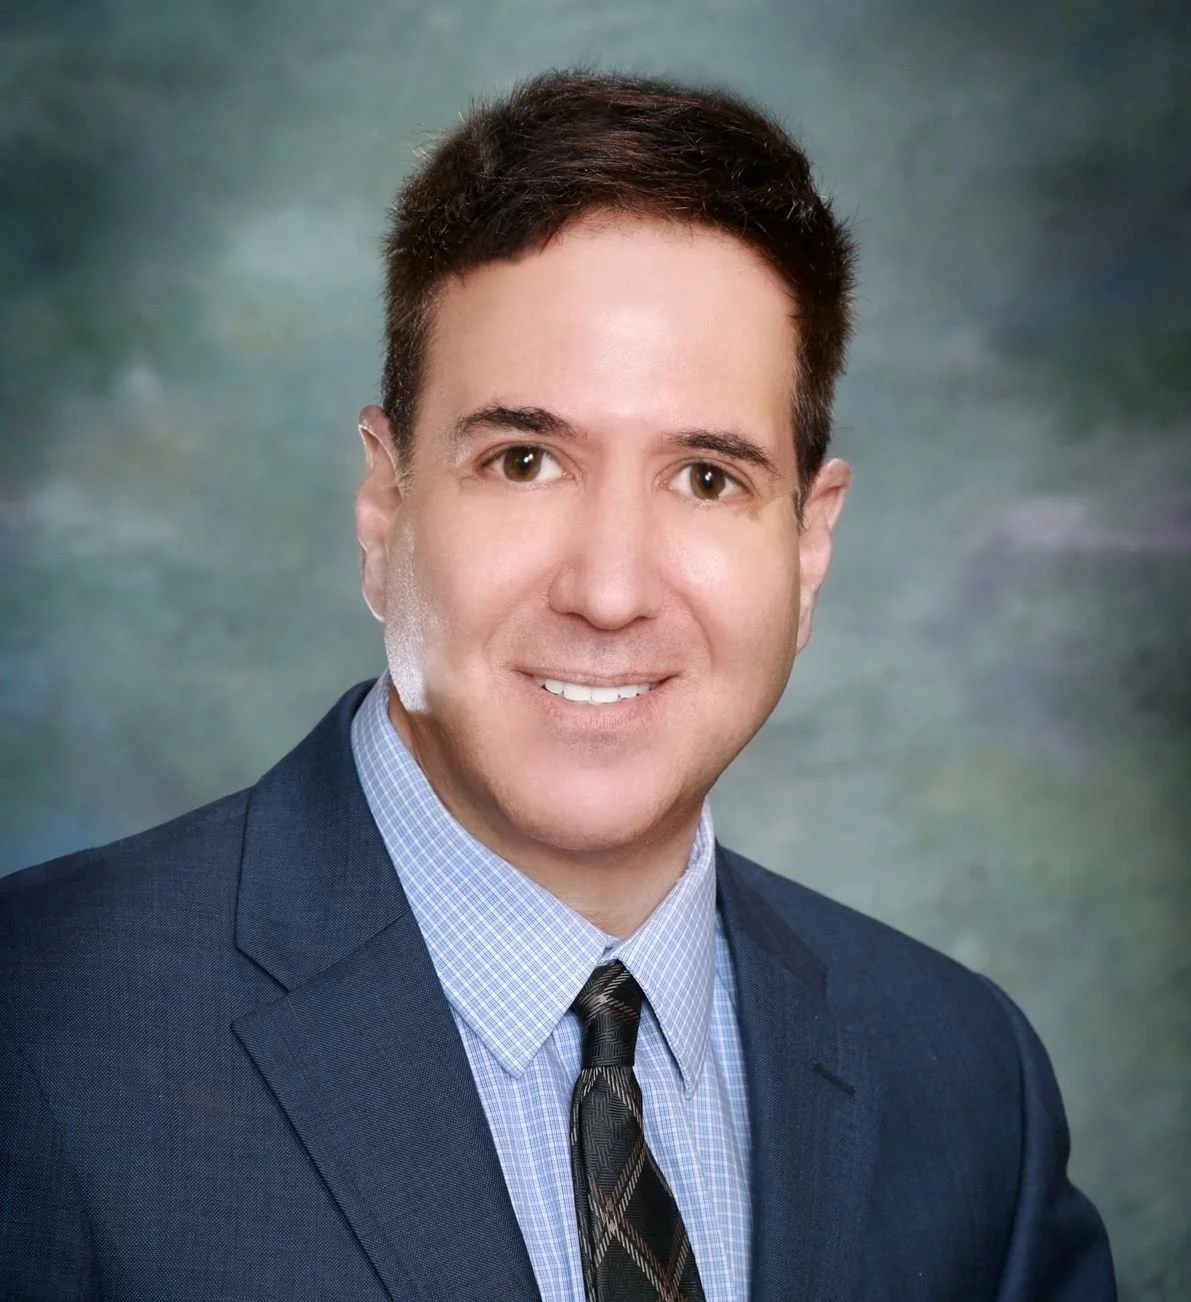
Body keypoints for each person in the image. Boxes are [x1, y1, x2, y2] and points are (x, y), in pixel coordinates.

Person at [0, 70, 1115, 1302]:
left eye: (706, 478)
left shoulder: (965, 1081)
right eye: (525, 460)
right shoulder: (38, 1022)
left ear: (808, 549)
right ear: (384, 506)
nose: (609, 587)